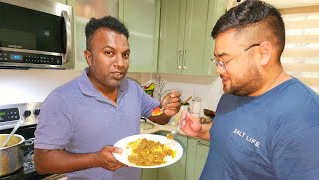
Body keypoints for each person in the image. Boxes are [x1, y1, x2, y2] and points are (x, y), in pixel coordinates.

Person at [180, 0, 319, 179]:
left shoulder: (303, 120)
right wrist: (202, 131)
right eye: (217, 60)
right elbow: (232, 141)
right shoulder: (235, 90)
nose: (218, 69)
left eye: (225, 60)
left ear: (263, 53)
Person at [34, 16, 181, 179]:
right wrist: (96, 159)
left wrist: (167, 110)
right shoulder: (61, 100)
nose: (120, 63)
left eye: (125, 55)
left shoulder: (133, 88)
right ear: (89, 57)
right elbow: (42, 162)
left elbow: (157, 115)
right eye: (109, 52)